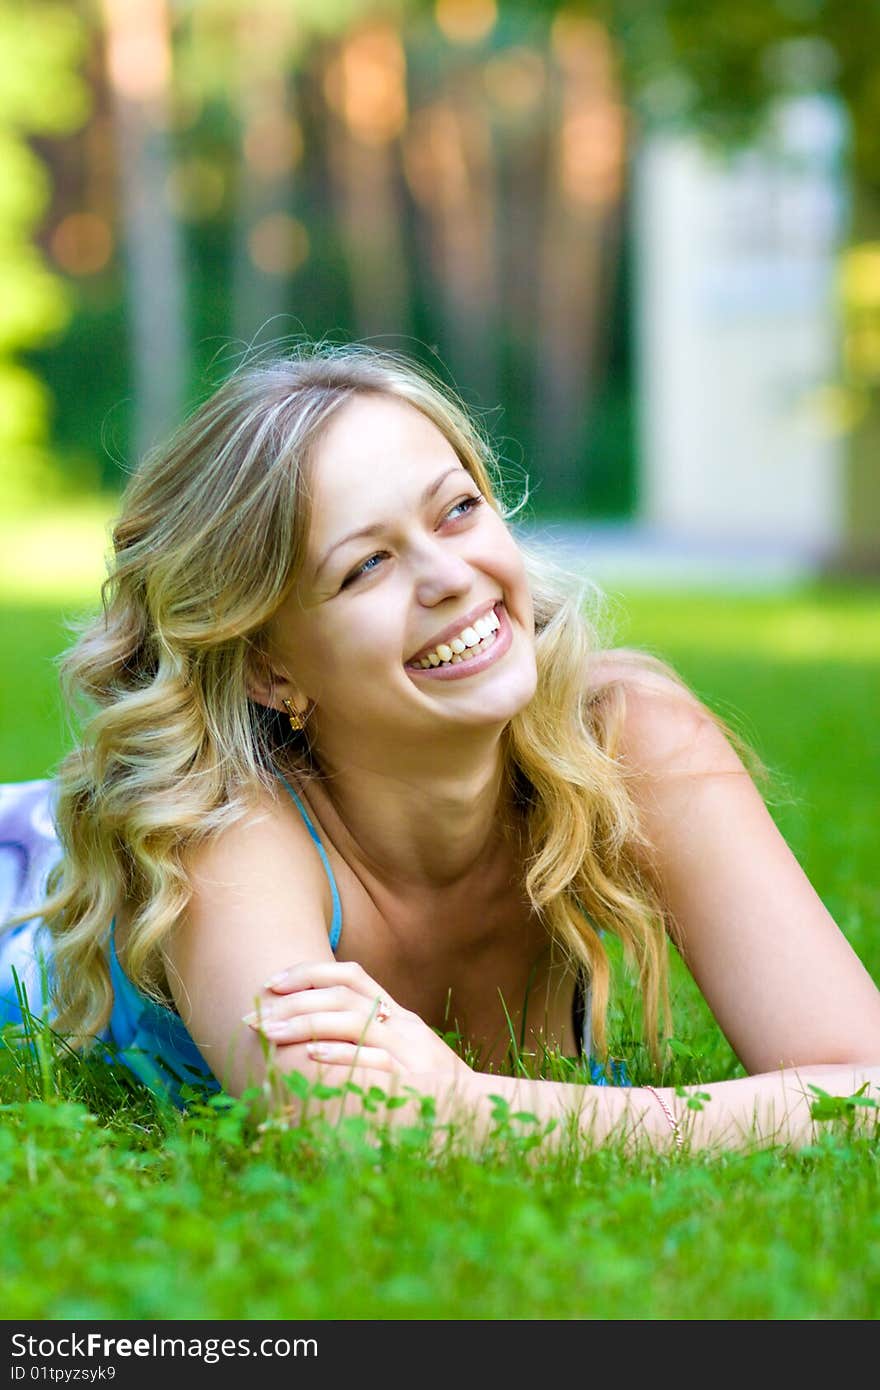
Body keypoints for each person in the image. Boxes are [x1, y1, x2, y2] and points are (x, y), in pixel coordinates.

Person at [2, 344, 879, 1154]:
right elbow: (338, 1128)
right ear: (270, 668)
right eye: (366, 567)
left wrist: (466, 1108)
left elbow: (866, 1085)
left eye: (458, 509)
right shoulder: (227, 824)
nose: (452, 576)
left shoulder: (632, 736)